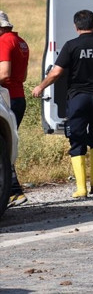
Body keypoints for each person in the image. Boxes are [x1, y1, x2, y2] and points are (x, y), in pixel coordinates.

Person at [33, 10, 93, 198]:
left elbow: (56, 73)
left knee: (77, 139)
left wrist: (41, 86)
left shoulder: (71, 46)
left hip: (78, 98)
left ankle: (81, 188)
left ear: (76, 26)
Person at [0, 11, 30, 206]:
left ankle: (14, 191)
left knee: (3, 149)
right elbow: (24, 76)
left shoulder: (3, 42)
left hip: (6, 98)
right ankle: (14, 191)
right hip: (18, 96)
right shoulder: (21, 42)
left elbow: (4, 73)